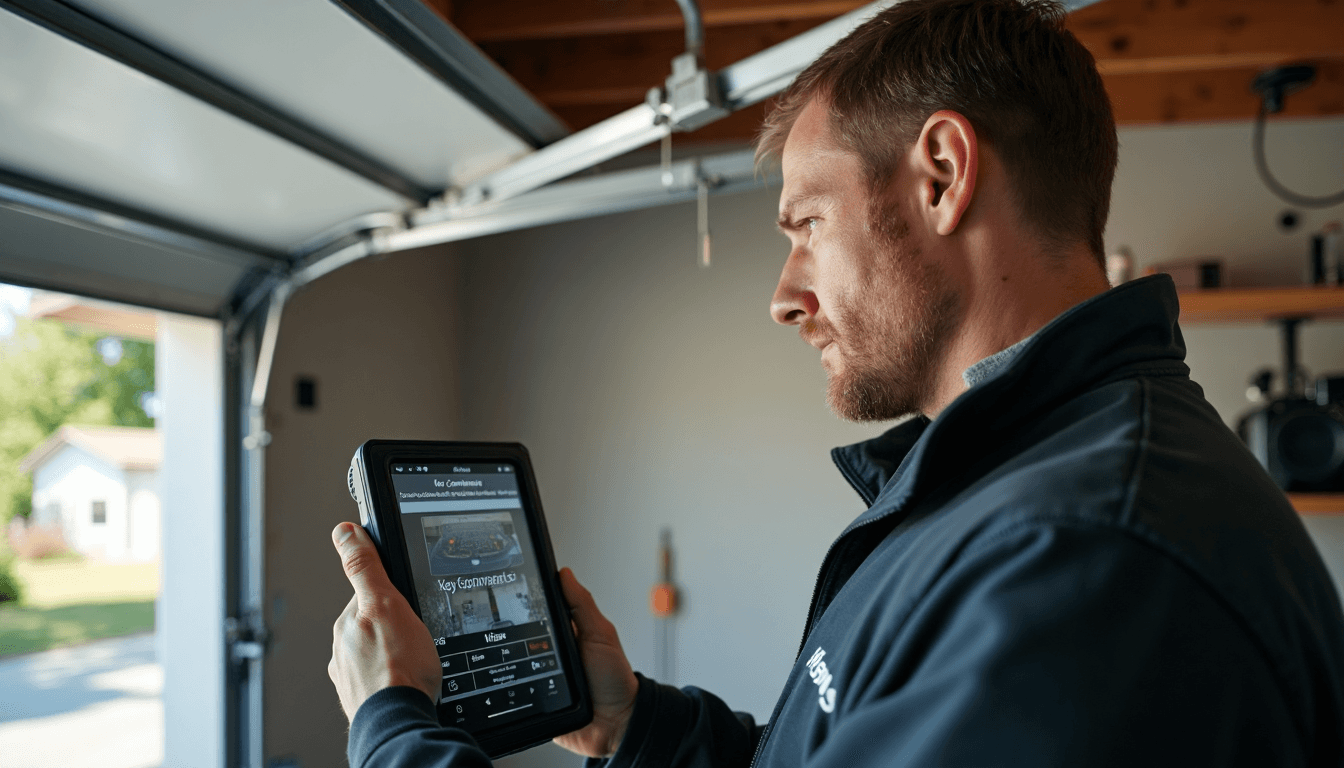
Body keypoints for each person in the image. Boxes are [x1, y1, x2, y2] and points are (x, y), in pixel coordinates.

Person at [328, 0, 1344, 765]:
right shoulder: (1027, 491)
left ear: (942, 174)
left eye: (807, 224)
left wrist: (392, 731)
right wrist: (634, 723)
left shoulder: (1082, 562)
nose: (783, 297)